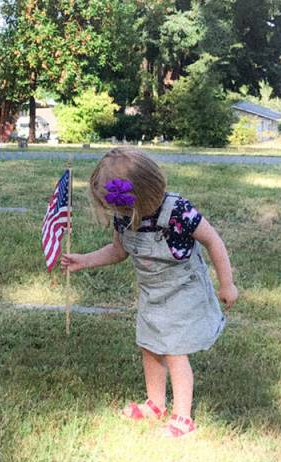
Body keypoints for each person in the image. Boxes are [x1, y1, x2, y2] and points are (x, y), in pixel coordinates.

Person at [61, 147, 237, 438]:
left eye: (123, 208)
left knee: (174, 350)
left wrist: (227, 283)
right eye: (117, 210)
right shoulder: (124, 215)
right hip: (153, 293)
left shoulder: (178, 211)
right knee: (150, 345)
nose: (121, 214)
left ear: (146, 194)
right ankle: (155, 403)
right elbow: (118, 251)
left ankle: (183, 417)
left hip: (184, 290)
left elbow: (213, 241)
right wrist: (85, 260)